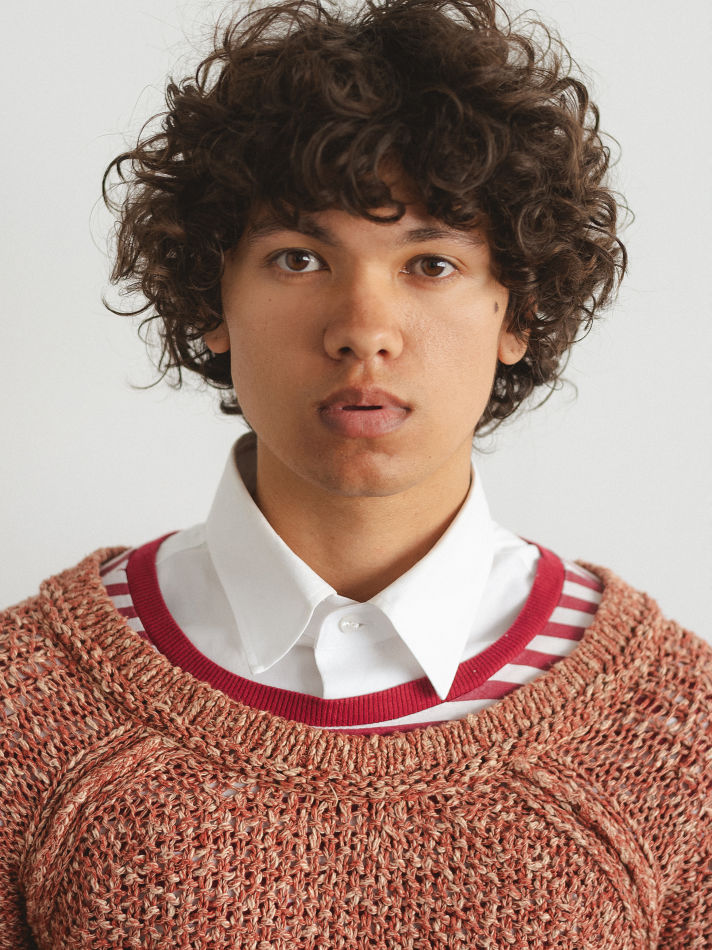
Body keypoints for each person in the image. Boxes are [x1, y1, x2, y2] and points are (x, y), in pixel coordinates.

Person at [1, 0, 709, 946]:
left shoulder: (679, 735)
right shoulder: (24, 703)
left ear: (519, 314)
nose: (363, 330)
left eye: (431, 264)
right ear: (212, 299)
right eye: (299, 258)